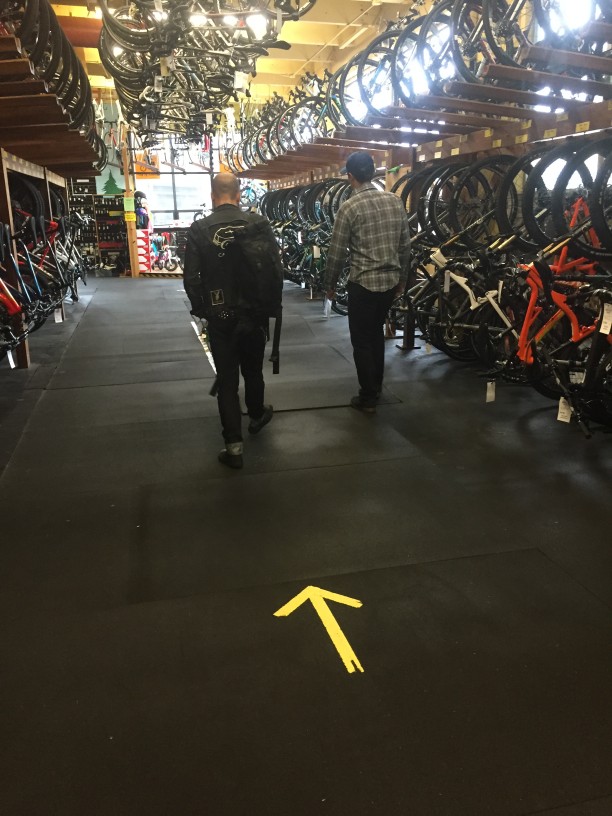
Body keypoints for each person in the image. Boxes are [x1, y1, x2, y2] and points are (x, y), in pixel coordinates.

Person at [183, 173, 279, 469]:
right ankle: (256, 414)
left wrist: (203, 309)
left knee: (226, 380)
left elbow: (191, 278)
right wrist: (269, 306)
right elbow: (276, 268)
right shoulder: (258, 223)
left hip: (220, 312)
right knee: (253, 370)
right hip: (254, 312)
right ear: (239, 195)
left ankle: (234, 447)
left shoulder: (199, 229)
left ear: (213, 196)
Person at [325, 151, 411, 415]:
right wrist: (402, 281)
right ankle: (377, 385)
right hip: (389, 282)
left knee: (362, 340)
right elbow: (405, 246)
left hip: (362, 284)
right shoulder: (394, 202)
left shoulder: (348, 207)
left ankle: (368, 396)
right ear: (373, 173)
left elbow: (337, 251)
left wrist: (329, 285)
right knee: (375, 336)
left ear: (350, 177)